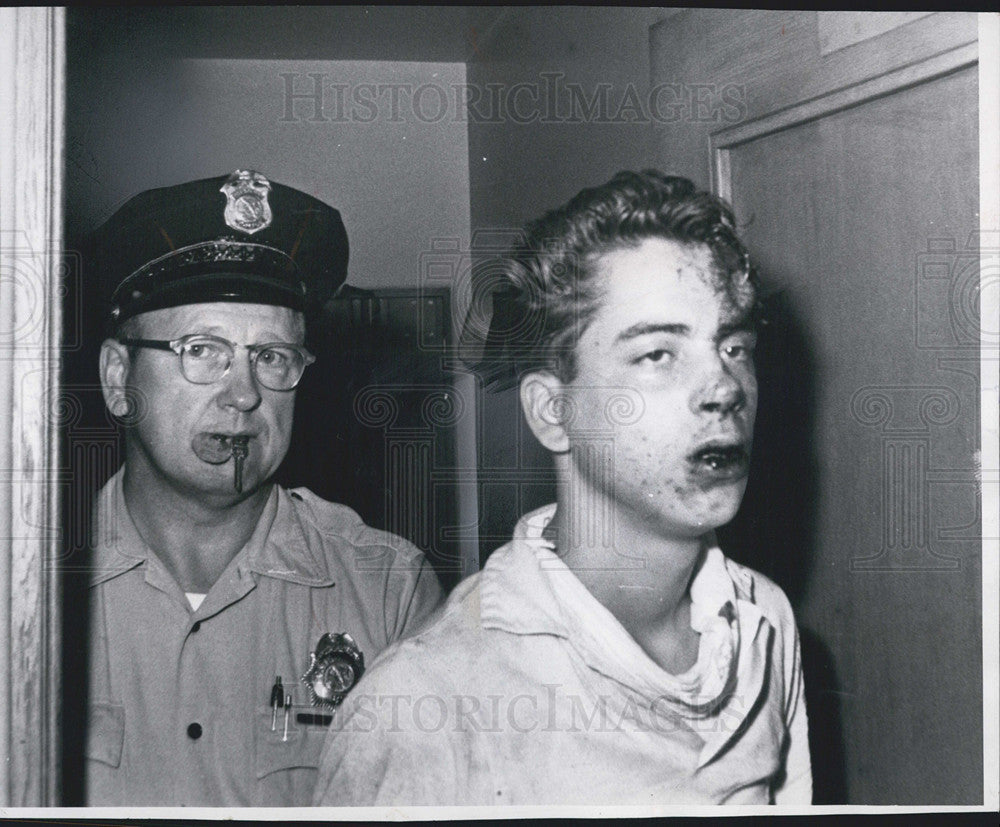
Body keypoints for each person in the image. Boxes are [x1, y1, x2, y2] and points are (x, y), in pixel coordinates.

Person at [312, 170, 812, 806]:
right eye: (659, 353)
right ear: (552, 411)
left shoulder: (765, 621)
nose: (724, 387)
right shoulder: (424, 705)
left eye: (734, 345)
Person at [84, 170, 443, 806]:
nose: (246, 393)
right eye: (203, 350)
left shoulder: (388, 592)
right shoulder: (26, 587)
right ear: (118, 378)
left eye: (272, 356)